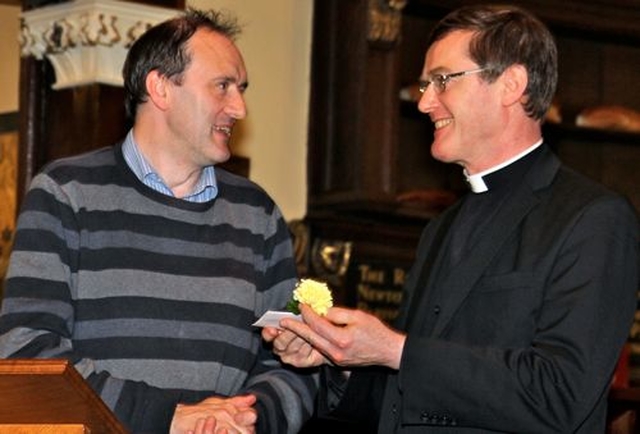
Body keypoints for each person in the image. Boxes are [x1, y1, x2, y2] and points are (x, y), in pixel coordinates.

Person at [263, 4, 639, 433]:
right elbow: (407, 398)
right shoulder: (441, 228)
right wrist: (337, 359)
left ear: (511, 84)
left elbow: (560, 393)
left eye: (442, 80)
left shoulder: (592, 218)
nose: (425, 102)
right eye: (425, 85)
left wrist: (395, 349)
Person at [0, 8, 316, 434]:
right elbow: (27, 352)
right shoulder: (65, 193)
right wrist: (166, 417)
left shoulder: (258, 215)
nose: (239, 107)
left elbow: (297, 363)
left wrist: (246, 419)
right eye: (222, 86)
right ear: (161, 87)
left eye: (241, 89)